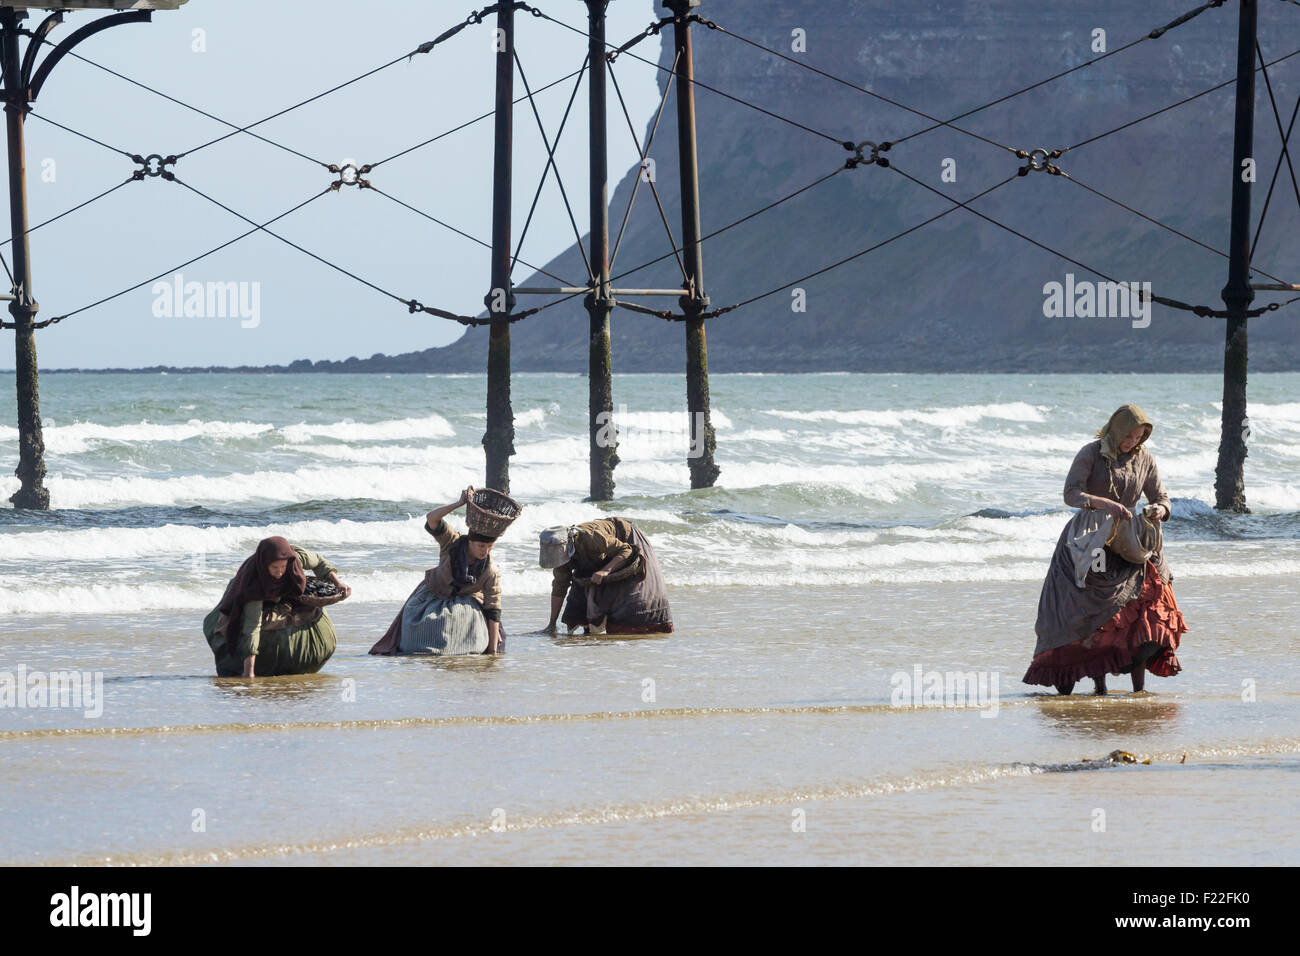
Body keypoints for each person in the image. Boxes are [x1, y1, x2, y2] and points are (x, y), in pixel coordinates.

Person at [1024, 403, 1188, 695]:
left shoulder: (1145, 459)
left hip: (1132, 540)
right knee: (1096, 610)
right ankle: (1098, 684)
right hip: (1091, 537)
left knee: (1148, 603)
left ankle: (1139, 689)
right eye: (1129, 437)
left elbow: (1162, 496)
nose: (1132, 443)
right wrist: (1105, 504)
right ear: (1116, 430)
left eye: (1139, 438)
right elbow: (1070, 494)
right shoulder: (1091, 453)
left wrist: (1159, 510)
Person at [370, 487, 505, 656]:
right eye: (481, 546)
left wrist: (492, 652)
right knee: (420, 627)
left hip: (466, 603)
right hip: (433, 593)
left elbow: (493, 607)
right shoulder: (452, 541)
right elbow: (432, 519)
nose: (485, 551)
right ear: (470, 541)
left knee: (463, 632)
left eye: (489, 547)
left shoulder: (490, 569)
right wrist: (459, 503)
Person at [203, 536, 350, 678]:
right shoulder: (254, 583)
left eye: (283, 567)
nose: (279, 572)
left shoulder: (295, 558)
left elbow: (318, 561)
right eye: (274, 567)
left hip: (284, 593)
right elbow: (252, 626)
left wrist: (338, 583)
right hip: (245, 595)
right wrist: (249, 672)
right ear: (265, 564)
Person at [540, 518, 673, 635]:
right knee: (576, 608)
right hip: (599, 555)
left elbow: (626, 550)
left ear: (567, 545)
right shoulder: (561, 558)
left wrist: (605, 571)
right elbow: (559, 586)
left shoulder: (590, 537)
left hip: (626, 540)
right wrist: (552, 623)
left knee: (631, 603)